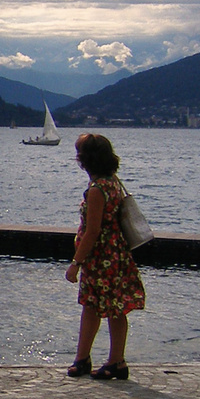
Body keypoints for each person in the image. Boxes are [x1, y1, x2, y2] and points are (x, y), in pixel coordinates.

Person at [65, 133, 145, 380]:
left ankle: (88, 359)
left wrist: (75, 263)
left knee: (93, 307)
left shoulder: (97, 190)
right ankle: (114, 360)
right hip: (116, 254)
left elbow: (93, 230)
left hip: (101, 258)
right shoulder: (112, 182)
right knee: (115, 308)